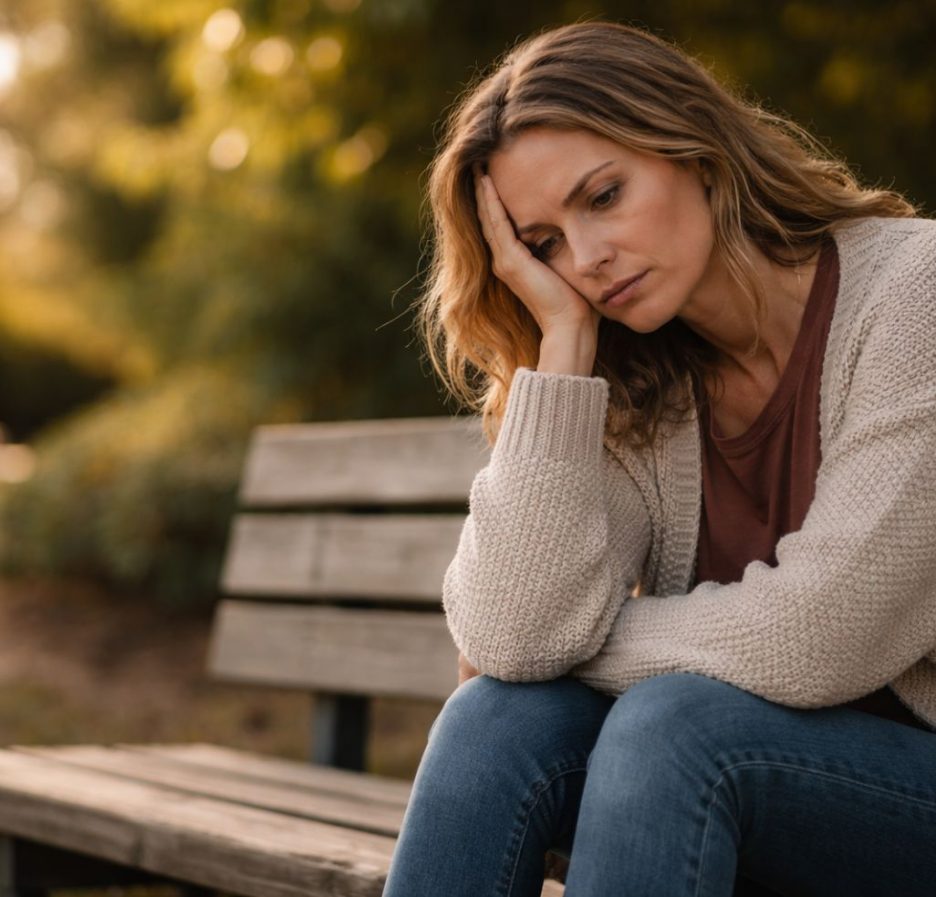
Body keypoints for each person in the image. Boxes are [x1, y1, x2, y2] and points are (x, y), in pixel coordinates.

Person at [382, 20, 936, 897]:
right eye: (545, 244)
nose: (588, 259)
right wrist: (561, 345)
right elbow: (509, 644)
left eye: (603, 196)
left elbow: (820, 635)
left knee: (673, 721)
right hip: (737, 784)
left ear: (696, 151)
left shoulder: (916, 294)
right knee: (498, 718)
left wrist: (590, 639)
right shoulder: (646, 381)